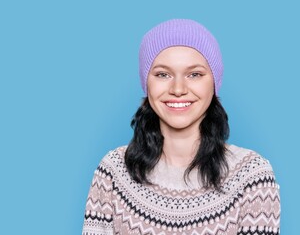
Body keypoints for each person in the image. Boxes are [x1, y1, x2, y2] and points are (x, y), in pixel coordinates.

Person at [82, 19, 280, 235]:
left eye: (194, 74)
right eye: (162, 74)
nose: (178, 89)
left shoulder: (251, 176)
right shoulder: (113, 172)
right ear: (146, 83)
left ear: (213, 83)